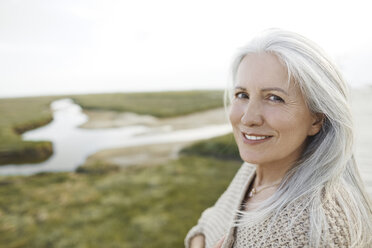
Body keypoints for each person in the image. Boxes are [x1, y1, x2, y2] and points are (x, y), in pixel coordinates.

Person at [184, 29, 372, 248]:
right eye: (242, 95)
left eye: (274, 98)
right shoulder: (254, 169)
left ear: (316, 119)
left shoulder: (309, 229)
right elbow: (206, 223)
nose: (248, 117)